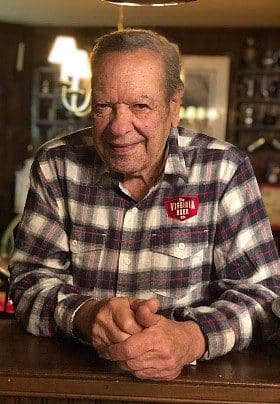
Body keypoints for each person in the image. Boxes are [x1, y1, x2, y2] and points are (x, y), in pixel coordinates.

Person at [9, 28, 280, 381]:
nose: (119, 128)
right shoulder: (56, 163)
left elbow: (263, 294)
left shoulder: (225, 168)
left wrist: (191, 338)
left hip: (194, 389)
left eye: (141, 106)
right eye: (104, 107)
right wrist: (87, 315)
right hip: (79, 382)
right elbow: (29, 282)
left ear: (173, 106)